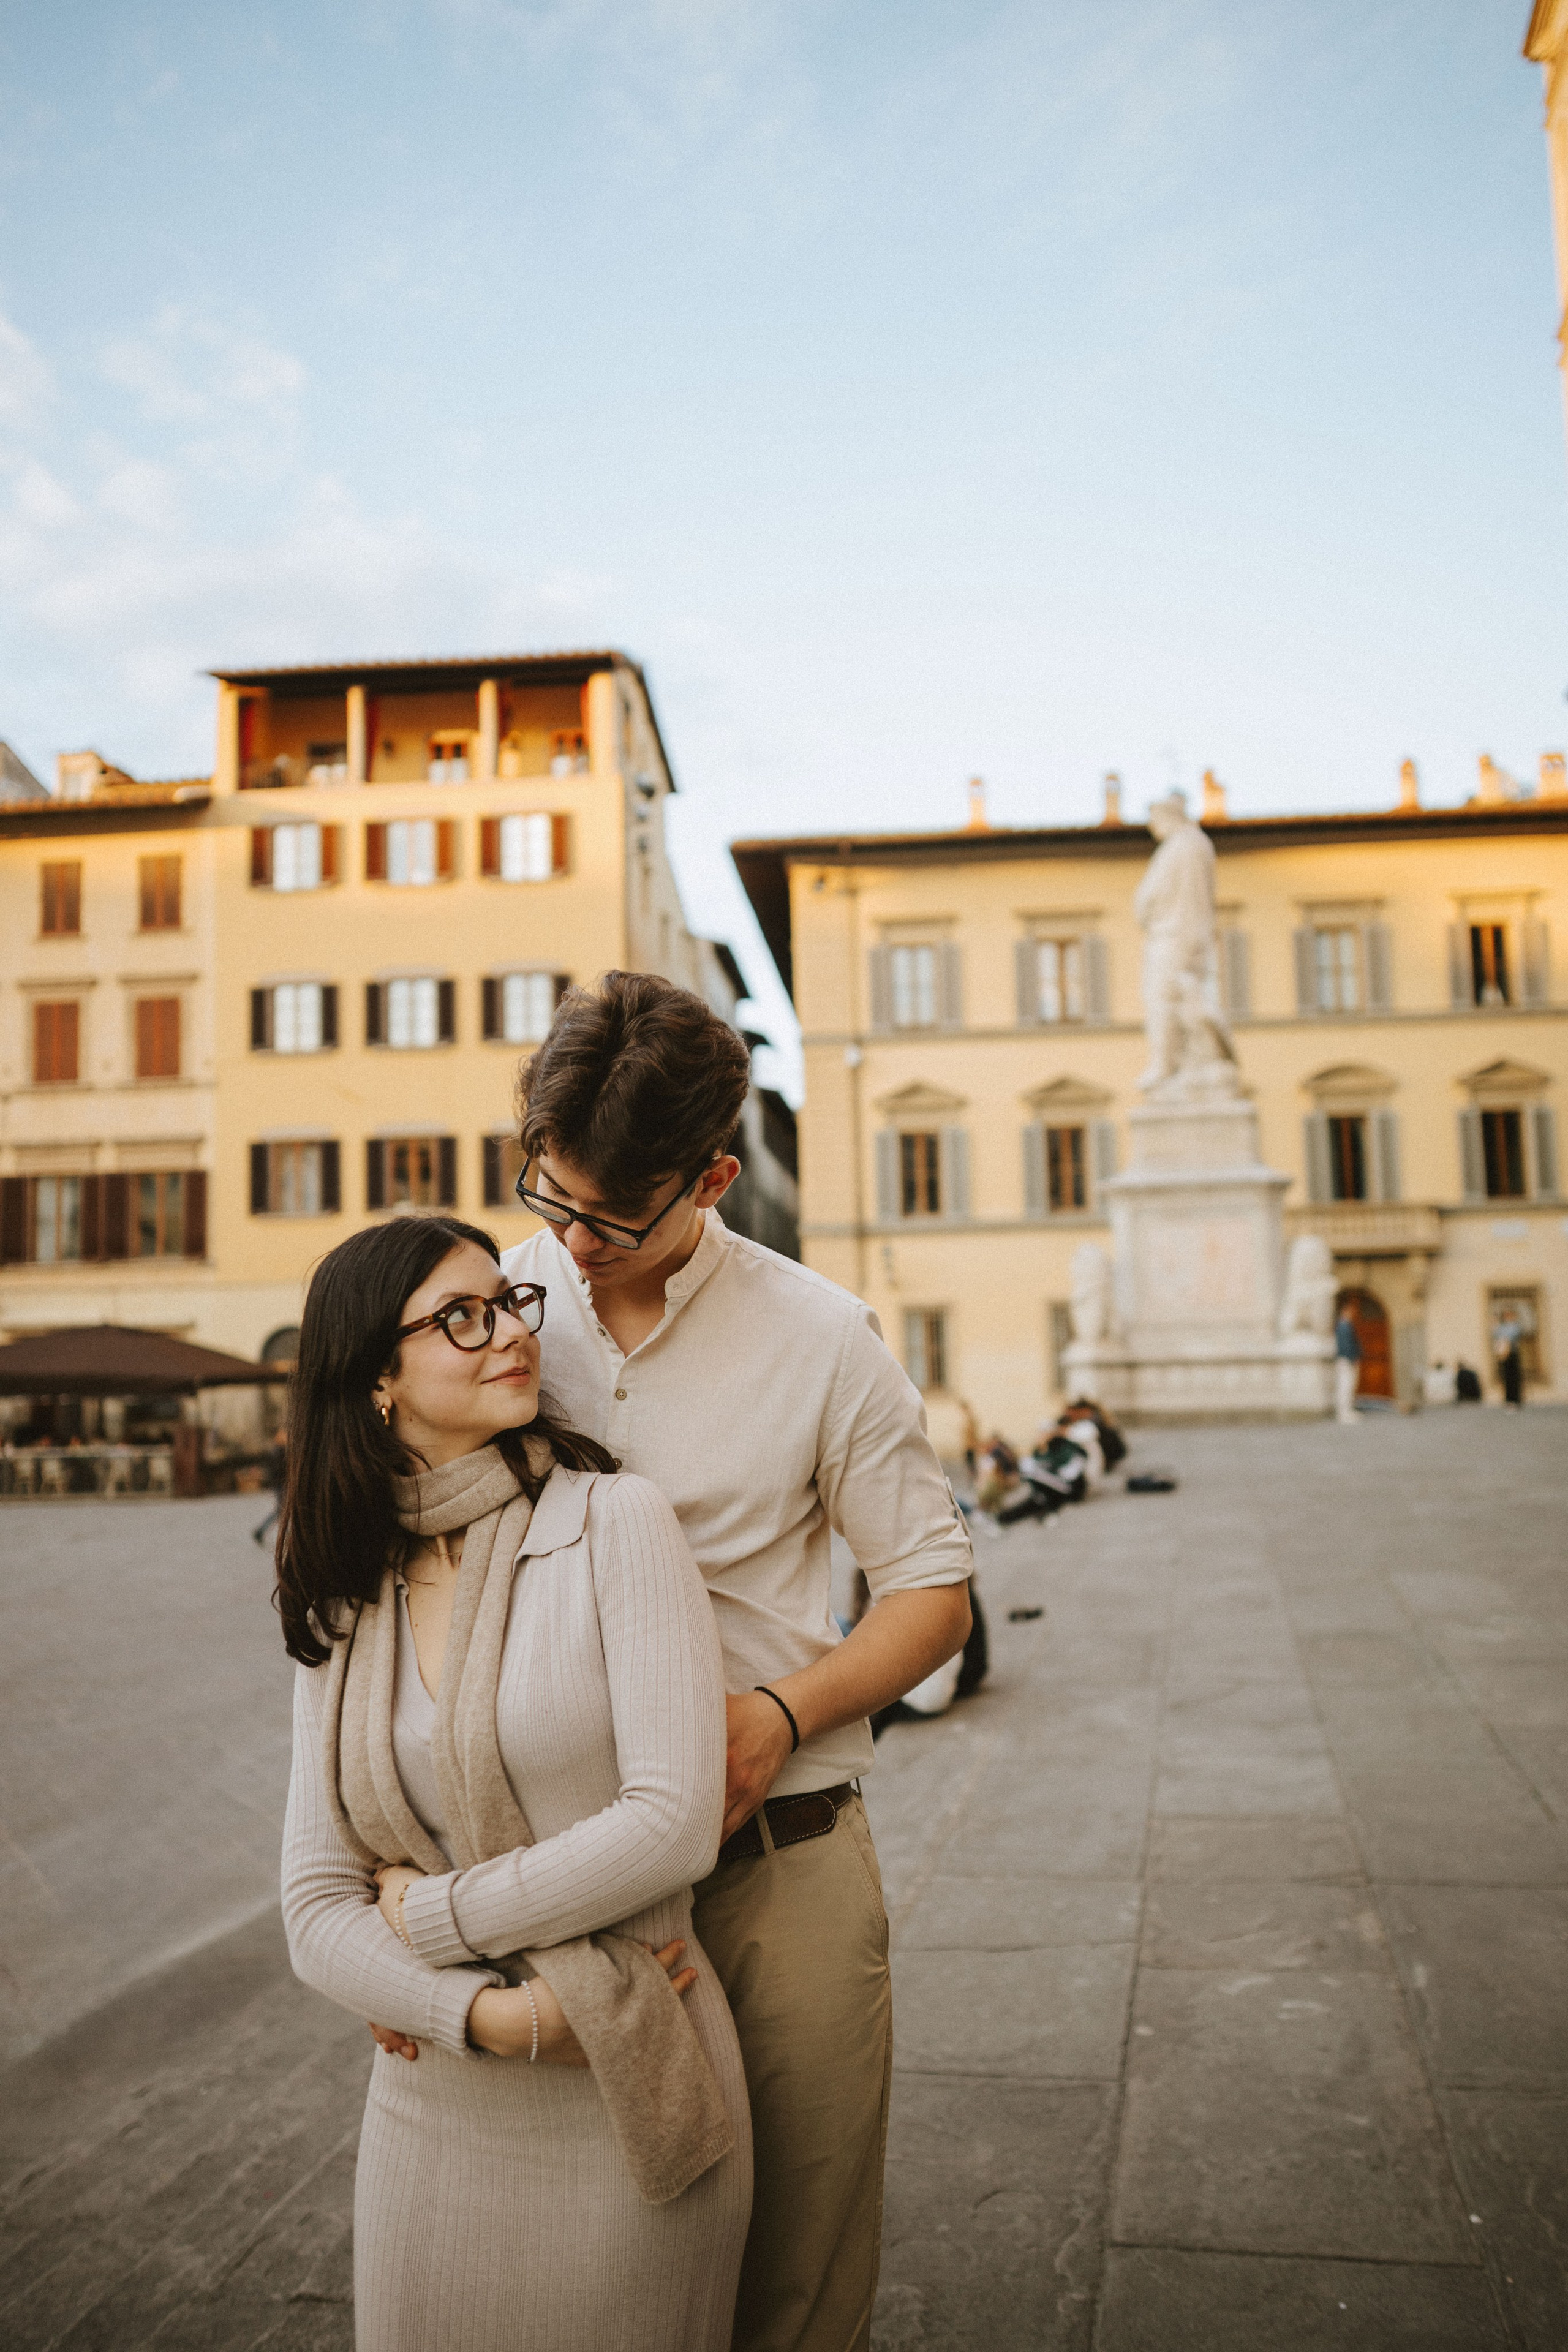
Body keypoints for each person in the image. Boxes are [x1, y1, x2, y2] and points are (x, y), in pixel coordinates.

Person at [491, 971, 973, 2352]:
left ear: (710, 1179)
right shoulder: (497, 1301)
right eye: (550, 1195)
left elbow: (932, 1591)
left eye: (611, 1217)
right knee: (600, 2281)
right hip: (567, 1873)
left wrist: (777, 1712)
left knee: (798, 2281)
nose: (570, 1245)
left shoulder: (822, 1335)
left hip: (785, 1866)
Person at [277, 1214, 752, 2352]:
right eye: (461, 1317)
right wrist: (487, 2018)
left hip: (629, 2084)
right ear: (377, 1379)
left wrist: (428, 1917)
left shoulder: (612, 1523)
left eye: (509, 1304)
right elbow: (312, 1906)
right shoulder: (346, 1591)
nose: (509, 1334)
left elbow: (673, 1822)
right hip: (435, 2091)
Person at [251, 1425, 287, 1547]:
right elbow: (277, 1469)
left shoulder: (279, 1451)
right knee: (282, 1511)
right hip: (281, 1485)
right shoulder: (279, 1451)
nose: (285, 1436)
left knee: (283, 1511)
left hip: (281, 1485)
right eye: (282, 1434)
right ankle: (261, 1531)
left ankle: (261, 1531)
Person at [1333, 1308, 1361, 1424]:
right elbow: (1346, 1345)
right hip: (1346, 1360)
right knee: (1346, 1386)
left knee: (1347, 1386)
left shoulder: (1344, 1326)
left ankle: (1346, 1411)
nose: (1352, 1314)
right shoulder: (1344, 1326)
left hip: (1345, 1360)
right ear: (1345, 1312)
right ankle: (1344, 1413)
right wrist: (1352, 1359)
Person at [1493, 1311, 1526, 1408]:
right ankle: (1509, 1399)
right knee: (1507, 1377)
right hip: (1504, 1354)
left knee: (1514, 1377)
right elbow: (1496, 1335)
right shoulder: (1502, 1327)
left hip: (1512, 1353)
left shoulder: (1515, 1326)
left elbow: (1513, 1336)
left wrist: (1504, 1337)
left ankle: (1516, 1399)